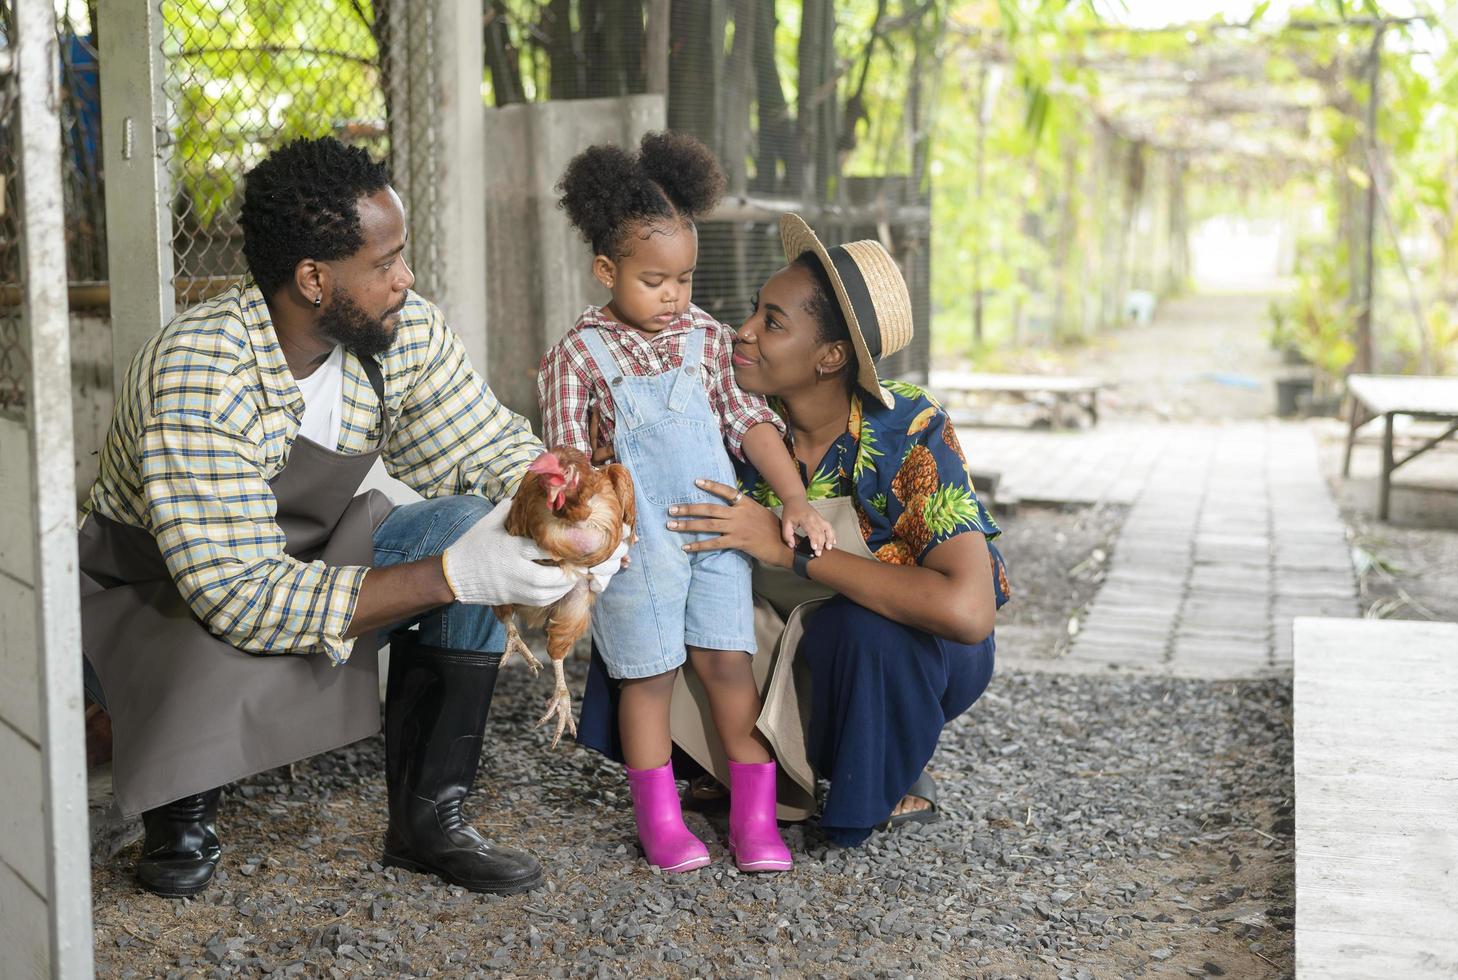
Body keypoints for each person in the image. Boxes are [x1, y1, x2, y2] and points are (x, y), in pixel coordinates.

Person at [78, 136, 624, 898]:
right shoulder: (204, 372)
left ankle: (430, 821)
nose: (405, 278)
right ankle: (180, 799)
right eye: (384, 262)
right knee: (204, 619)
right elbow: (235, 594)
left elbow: (485, 445)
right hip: (163, 587)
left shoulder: (400, 331)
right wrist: (449, 576)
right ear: (312, 278)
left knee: (475, 519)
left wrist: (568, 510)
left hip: (301, 553)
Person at [660, 213, 1010, 846]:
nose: (742, 333)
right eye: (753, 311)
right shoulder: (735, 421)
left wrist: (788, 551)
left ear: (830, 357)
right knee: (665, 577)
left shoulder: (907, 429)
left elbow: (967, 611)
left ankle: (870, 783)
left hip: (909, 653)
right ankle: (729, 763)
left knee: (860, 628)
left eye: (773, 322)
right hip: (790, 645)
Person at [537, 133, 829, 874]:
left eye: (686, 278)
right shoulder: (577, 354)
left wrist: (791, 497)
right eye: (654, 279)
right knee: (649, 678)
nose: (674, 295)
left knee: (728, 666)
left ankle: (754, 817)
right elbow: (569, 454)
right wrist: (571, 497)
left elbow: (749, 425)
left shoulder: (704, 339)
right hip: (638, 550)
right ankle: (660, 819)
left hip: (714, 536)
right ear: (607, 271)